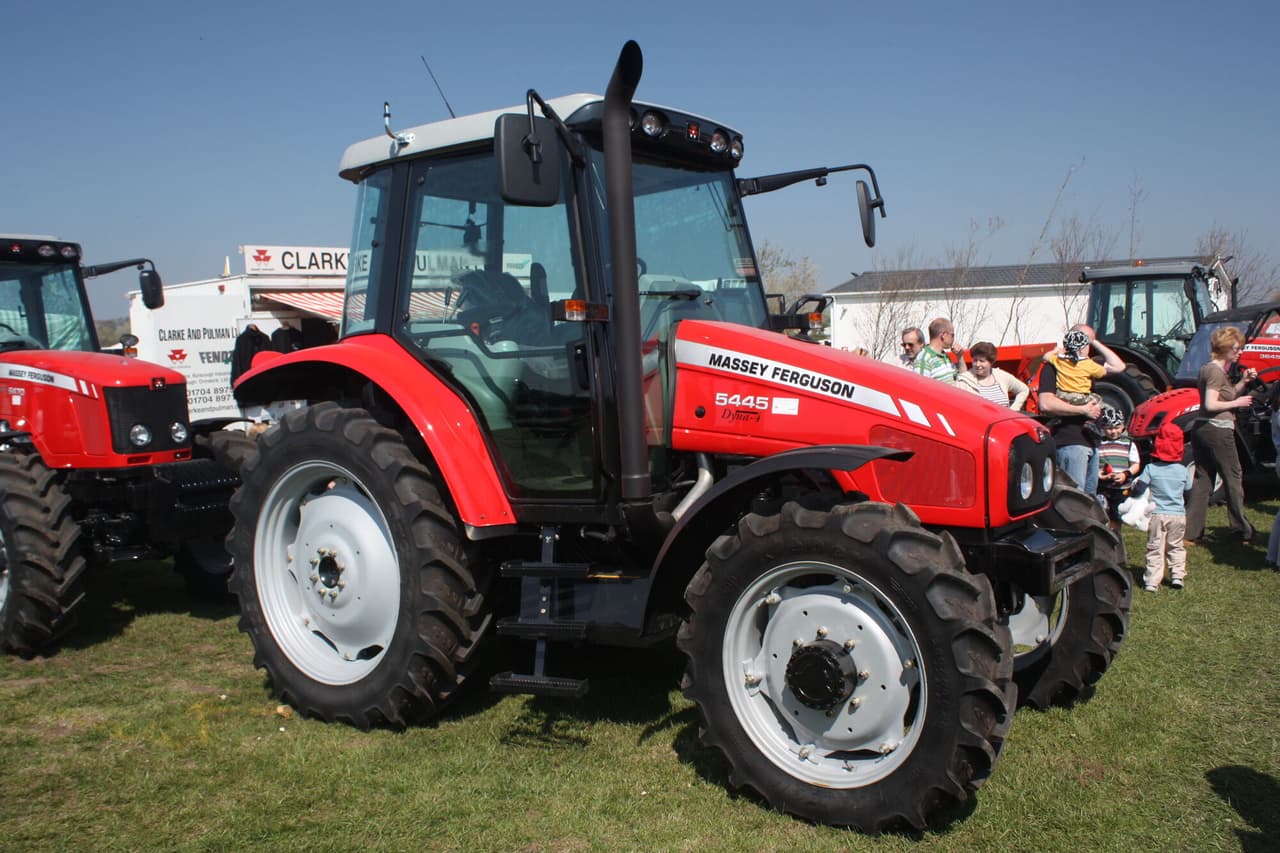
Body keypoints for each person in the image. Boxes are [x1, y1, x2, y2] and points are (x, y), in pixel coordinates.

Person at [1185, 326, 1257, 545]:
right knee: (1233, 476)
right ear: (1224, 348)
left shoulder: (1211, 369)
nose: (1239, 352)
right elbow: (1210, 403)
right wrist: (1237, 403)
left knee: (1204, 479)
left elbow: (1223, 394)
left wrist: (1243, 382)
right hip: (1217, 429)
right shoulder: (1215, 372)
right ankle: (1241, 530)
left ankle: (1191, 532)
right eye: (1236, 348)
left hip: (1203, 428)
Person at [1037, 324, 1116, 499]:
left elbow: (1118, 366)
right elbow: (1046, 403)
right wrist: (1082, 410)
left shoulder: (1088, 365)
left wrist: (1095, 342)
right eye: (1084, 341)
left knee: (1089, 500)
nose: (1087, 346)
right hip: (1070, 441)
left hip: (1091, 441)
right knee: (1072, 499)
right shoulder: (1054, 366)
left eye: (1088, 342)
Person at [1139, 422, 1193, 591]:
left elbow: (1139, 488)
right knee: (1176, 545)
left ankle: (1152, 581)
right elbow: (1189, 490)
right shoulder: (1182, 470)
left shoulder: (1150, 468)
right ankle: (1177, 575)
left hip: (1157, 514)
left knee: (1155, 546)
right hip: (1177, 515)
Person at [1047, 327, 1125, 407]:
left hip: (1062, 396)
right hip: (1078, 400)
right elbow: (1045, 404)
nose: (1090, 346)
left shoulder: (1059, 360)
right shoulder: (1089, 365)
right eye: (1088, 343)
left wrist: (1055, 351)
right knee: (1107, 410)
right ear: (1081, 349)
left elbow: (1119, 367)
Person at [1096, 407, 1141, 530]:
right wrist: (1100, 474)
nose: (1113, 431)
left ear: (1123, 427)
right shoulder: (1099, 443)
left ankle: (1115, 535)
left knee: (1117, 514)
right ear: (1103, 428)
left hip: (1121, 487)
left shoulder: (1128, 444)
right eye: (1109, 428)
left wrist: (1125, 474)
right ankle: (1103, 534)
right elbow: (1094, 464)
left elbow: (1136, 464)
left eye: (1117, 427)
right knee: (1101, 512)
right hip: (1103, 486)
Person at [955, 341, 1029, 410]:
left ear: (991, 362)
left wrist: (1013, 410)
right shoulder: (964, 380)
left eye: (982, 361)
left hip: (1003, 422)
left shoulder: (1001, 376)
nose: (977, 364)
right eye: (975, 360)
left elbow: (1024, 389)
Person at [913, 317, 965, 383]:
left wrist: (960, 357)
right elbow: (919, 388)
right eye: (952, 335)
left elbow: (964, 381)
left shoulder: (945, 356)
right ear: (944, 335)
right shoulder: (923, 359)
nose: (953, 339)